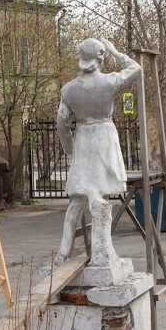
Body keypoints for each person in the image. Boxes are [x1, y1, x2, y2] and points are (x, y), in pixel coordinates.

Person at [54, 37, 140, 268]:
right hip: (103, 137)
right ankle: (103, 252)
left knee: (78, 198)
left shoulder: (68, 90)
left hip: (82, 138)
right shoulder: (109, 82)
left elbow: (61, 123)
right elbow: (136, 68)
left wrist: (71, 150)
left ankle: (64, 250)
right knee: (101, 197)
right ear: (100, 57)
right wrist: (115, 51)